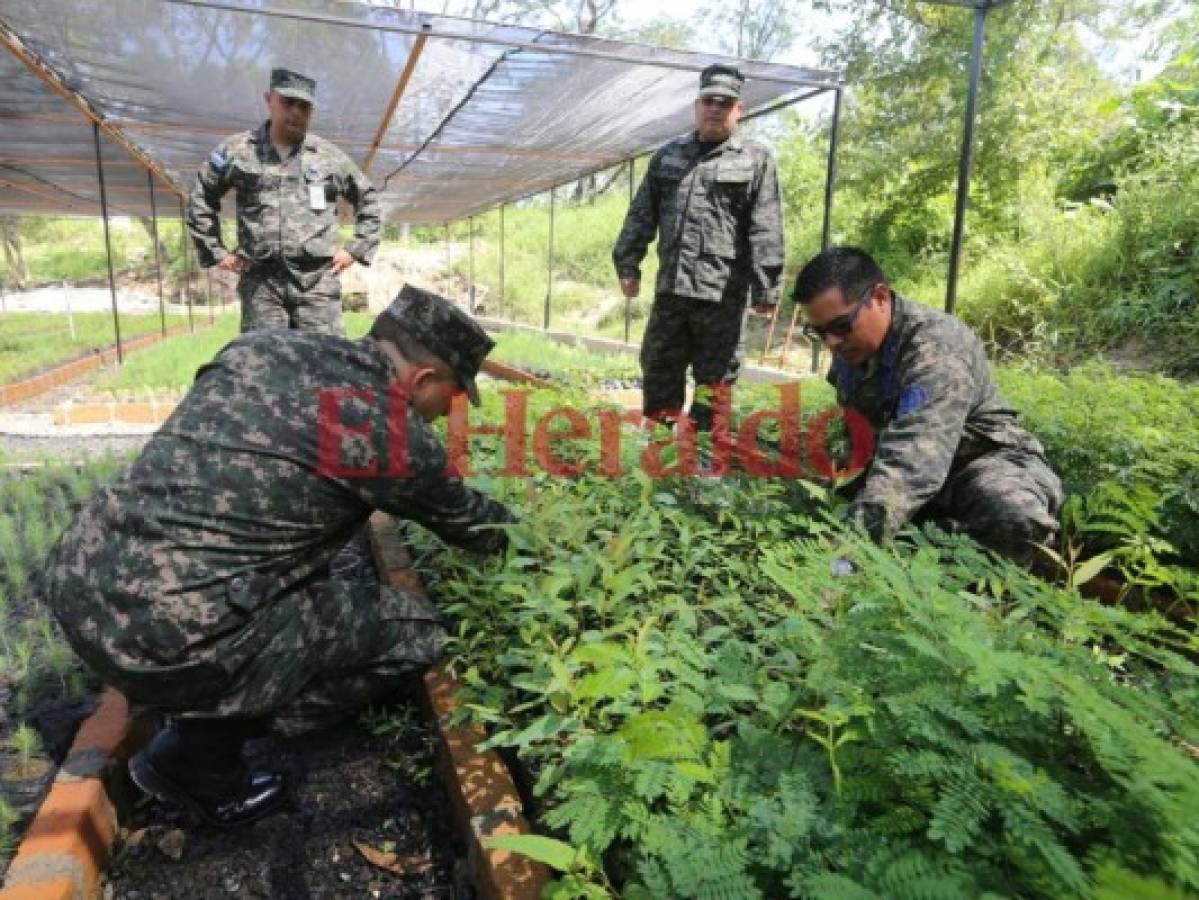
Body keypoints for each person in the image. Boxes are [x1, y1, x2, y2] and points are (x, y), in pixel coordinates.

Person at [41, 285, 513, 827]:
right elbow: (480, 527)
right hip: (167, 638)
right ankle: (196, 756)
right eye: (452, 397)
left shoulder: (259, 347)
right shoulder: (385, 429)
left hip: (81, 586)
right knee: (417, 630)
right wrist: (552, 544)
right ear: (423, 380)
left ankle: (188, 695)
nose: (447, 413)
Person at [792, 246, 1062, 561]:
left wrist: (849, 554)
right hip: (903, 466)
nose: (831, 343)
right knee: (807, 490)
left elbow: (914, 459)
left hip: (977, 462)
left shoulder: (935, 347)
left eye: (840, 326)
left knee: (1013, 515)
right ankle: (930, 547)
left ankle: (979, 589)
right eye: (819, 332)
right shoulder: (851, 350)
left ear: (879, 298)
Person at [612, 63, 785, 433]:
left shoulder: (755, 160)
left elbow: (766, 226)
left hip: (721, 298)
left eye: (725, 102)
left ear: (739, 109)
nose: (715, 108)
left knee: (716, 385)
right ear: (697, 105)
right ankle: (659, 461)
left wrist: (766, 288)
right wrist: (628, 263)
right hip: (671, 292)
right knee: (658, 371)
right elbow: (642, 213)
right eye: (709, 100)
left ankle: (703, 465)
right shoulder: (668, 156)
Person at [186, 67, 382, 335]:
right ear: (269, 100)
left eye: (304, 106)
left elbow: (368, 198)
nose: (296, 112)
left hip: (316, 284)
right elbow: (201, 197)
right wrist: (216, 251)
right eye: (288, 102)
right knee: (268, 367)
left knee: (326, 365)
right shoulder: (238, 151)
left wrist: (355, 249)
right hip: (261, 285)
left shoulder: (328, 157)